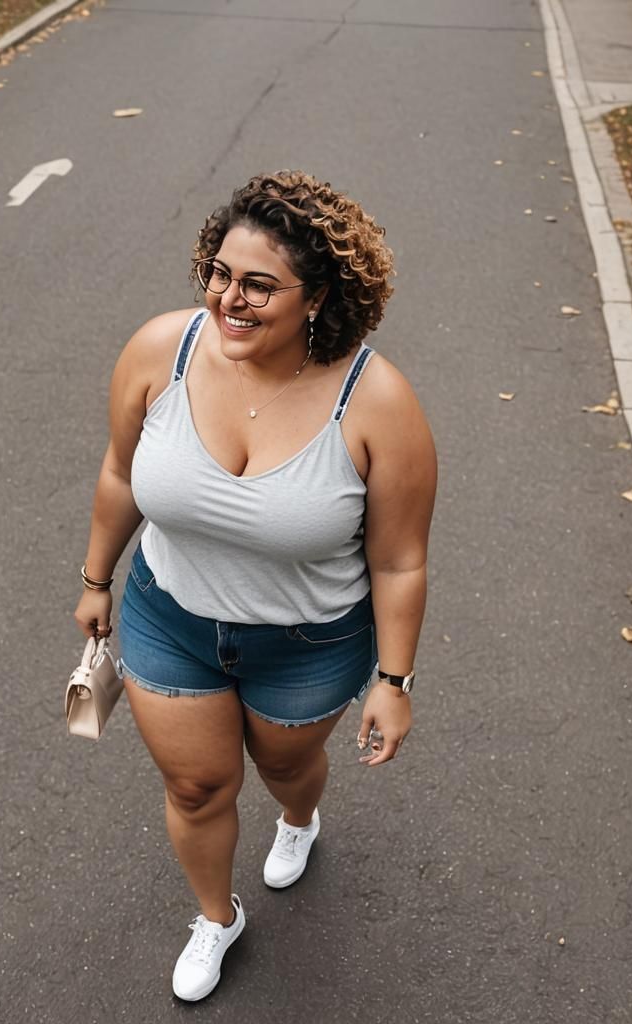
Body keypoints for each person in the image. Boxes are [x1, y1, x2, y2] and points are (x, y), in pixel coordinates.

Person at [74, 170, 436, 1002]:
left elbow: (399, 561)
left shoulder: (377, 402)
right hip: (171, 620)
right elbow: (121, 473)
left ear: (317, 298)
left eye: (259, 286)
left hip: (308, 643)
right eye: (219, 274)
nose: (229, 300)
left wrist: (394, 682)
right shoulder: (158, 352)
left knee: (287, 765)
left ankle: (301, 818)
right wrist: (97, 576)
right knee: (197, 785)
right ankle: (216, 915)